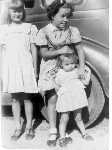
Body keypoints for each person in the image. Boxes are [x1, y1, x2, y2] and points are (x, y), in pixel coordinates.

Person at [36, 0, 86, 146]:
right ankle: (53, 130)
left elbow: (80, 50)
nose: (66, 19)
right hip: (51, 68)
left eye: (68, 16)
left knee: (69, 94)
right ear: (52, 16)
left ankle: (67, 126)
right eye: (62, 16)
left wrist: (81, 67)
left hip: (67, 68)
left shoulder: (72, 30)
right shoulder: (44, 31)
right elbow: (44, 54)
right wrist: (60, 50)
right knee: (52, 98)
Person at [0, 0, 39, 141]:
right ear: (9, 13)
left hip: (26, 66)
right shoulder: (4, 29)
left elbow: (34, 49)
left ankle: (29, 126)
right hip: (11, 67)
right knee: (15, 98)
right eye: (14, 11)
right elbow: (2, 51)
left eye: (19, 11)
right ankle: (18, 126)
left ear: (23, 12)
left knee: (27, 98)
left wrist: (35, 68)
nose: (17, 14)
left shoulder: (29, 27)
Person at [52, 47, 93, 147]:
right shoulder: (60, 74)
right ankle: (62, 138)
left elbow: (86, 82)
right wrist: (53, 81)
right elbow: (57, 88)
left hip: (77, 99)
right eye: (67, 64)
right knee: (64, 119)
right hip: (66, 100)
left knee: (78, 118)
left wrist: (88, 72)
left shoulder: (77, 71)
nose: (70, 66)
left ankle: (84, 133)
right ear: (61, 65)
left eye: (72, 63)